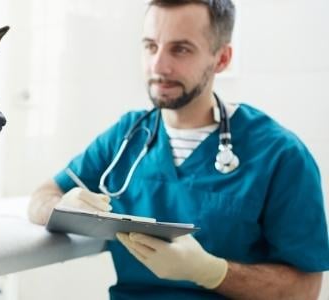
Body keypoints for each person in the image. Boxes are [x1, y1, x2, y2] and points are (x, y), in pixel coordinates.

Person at [27, 0, 329, 299]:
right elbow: (42, 196)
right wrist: (62, 206)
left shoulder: (280, 154)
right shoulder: (127, 136)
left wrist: (212, 272)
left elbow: (306, 289)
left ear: (222, 59)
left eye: (180, 49)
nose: (158, 66)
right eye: (150, 46)